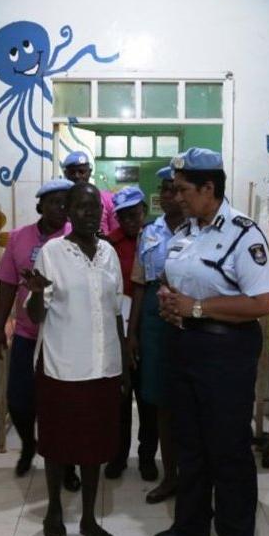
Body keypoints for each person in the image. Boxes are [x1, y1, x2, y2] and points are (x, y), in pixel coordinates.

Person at [150, 148, 269, 536]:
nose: (176, 197)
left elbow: (262, 301)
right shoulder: (185, 233)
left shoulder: (244, 234)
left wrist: (198, 308)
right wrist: (170, 300)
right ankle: (191, 523)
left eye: (183, 190)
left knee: (228, 448)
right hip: (184, 346)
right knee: (189, 442)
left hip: (226, 352)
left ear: (209, 188)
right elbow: (176, 280)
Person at [24, 182, 125, 536]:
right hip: (62, 366)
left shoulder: (109, 253)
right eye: (82, 207)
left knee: (95, 447)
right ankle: (53, 509)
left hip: (103, 366)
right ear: (68, 211)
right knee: (57, 442)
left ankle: (88, 518)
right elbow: (36, 315)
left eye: (95, 207)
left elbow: (116, 311)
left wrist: (124, 364)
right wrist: (37, 292)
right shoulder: (52, 253)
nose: (90, 214)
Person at [0, 178, 82, 489]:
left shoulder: (75, 238)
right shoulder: (19, 238)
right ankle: (29, 445)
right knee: (19, 402)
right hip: (27, 334)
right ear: (41, 205)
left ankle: (68, 465)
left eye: (66, 203)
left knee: (63, 407)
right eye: (55, 202)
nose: (61, 208)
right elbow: (6, 285)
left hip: (63, 337)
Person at [127, 166, 186, 504]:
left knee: (188, 398)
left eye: (172, 189)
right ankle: (170, 475)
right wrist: (132, 333)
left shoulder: (200, 230)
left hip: (190, 312)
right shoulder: (149, 232)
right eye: (163, 189)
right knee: (160, 399)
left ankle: (191, 473)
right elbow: (138, 284)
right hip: (153, 316)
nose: (166, 195)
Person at [104, 186, 158, 482]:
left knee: (148, 398)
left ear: (143, 212)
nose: (129, 221)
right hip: (115, 327)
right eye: (123, 216)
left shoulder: (156, 238)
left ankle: (147, 457)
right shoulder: (108, 244)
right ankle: (118, 456)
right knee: (119, 399)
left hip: (148, 328)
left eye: (134, 215)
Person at [61, 150, 119, 234]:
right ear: (66, 174)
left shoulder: (108, 199)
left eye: (81, 171)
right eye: (72, 172)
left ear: (90, 172)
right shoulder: (62, 200)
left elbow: (116, 232)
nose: (77, 176)